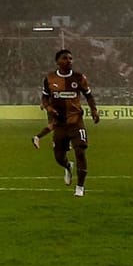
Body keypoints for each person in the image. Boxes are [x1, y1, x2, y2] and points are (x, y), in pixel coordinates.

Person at [37, 49, 99, 196]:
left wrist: (94, 110)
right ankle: (67, 166)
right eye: (65, 58)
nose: (69, 61)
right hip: (59, 123)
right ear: (57, 62)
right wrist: (48, 108)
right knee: (59, 157)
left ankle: (80, 187)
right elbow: (44, 98)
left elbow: (88, 96)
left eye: (71, 58)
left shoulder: (79, 77)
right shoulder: (50, 78)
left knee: (80, 151)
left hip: (76, 121)